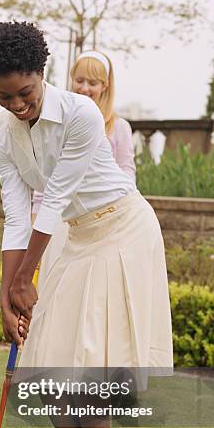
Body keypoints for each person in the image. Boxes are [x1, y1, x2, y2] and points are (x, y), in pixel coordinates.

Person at [0, 22, 173, 428]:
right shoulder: (4, 134)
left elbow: (57, 196)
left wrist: (26, 280)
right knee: (44, 350)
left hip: (120, 229)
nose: (17, 106)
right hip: (73, 233)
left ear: (41, 73)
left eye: (24, 92)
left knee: (86, 352)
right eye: (5, 98)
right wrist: (8, 296)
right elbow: (16, 216)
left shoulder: (81, 114)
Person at [33, 50, 136, 290]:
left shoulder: (118, 128)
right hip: (62, 220)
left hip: (104, 222)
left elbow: (127, 173)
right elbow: (46, 178)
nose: (85, 88)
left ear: (105, 86)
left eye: (93, 82)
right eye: (80, 81)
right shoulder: (58, 123)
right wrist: (34, 224)